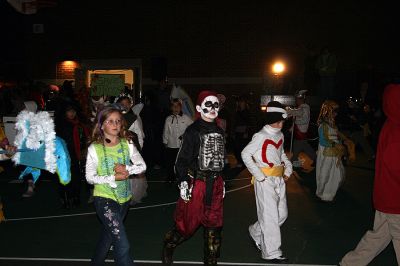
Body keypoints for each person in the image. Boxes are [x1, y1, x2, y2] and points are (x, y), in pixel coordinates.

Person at [161, 90, 226, 265]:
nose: (213, 108)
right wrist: (183, 181)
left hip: (216, 184)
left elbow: (219, 158)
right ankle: (169, 245)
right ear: (199, 107)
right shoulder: (192, 131)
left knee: (214, 225)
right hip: (196, 185)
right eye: (208, 104)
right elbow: (181, 160)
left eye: (216, 105)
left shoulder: (220, 131)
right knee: (187, 225)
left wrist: (222, 180)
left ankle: (210, 260)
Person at [339, 84, 400, 266]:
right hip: (395, 200)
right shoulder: (396, 131)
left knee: (378, 237)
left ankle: (350, 264)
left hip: (386, 197)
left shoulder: (391, 124)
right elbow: (396, 167)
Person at [85, 105, 146, 266]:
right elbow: (90, 178)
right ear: (102, 125)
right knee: (122, 242)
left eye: (118, 121)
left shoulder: (128, 143)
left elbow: (142, 166)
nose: (115, 124)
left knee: (108, 237)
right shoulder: (94, 148)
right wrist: (113, 177)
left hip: (124, 199)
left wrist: (127, 169)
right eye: (110, 121)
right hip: (104, 199)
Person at [241, 101, 292, 263]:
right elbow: (245, 154)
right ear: (274, 120)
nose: (282, 124)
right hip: (265, 181)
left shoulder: (280, 135)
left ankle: (255, 231)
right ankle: (271, 252)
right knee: (269, 216)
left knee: (282, 214)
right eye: (281, 121)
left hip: (279, 179)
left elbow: (281, 154)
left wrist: (288, 169)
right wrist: (259, 175)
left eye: (283, 121)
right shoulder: (261, 136)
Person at [55, 102, 90, 209]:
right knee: (64, 176)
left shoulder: (79, 124)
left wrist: (85, 149)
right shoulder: (60, 124)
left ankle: (75, 197)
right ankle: (65, 198)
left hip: (76, 155)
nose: (72, 113)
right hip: (63, 155)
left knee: (76, 177)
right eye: (69, 111)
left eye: (73, 111)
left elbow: (84, 138)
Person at [315, 100, 352, 202]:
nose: (336, 113)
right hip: (327, 153)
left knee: (337, 174)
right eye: (334, 111)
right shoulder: (323, 125)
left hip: (335, 153)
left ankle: (329, 194)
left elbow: (338, 134)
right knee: (325, 174)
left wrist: (345, 140)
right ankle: (322, 193)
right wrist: (336, 145)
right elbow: (323, 141)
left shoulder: (332, 125)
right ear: (329, 112)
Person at [162, 98, 193, 183]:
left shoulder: (186, 118)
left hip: (182, 146)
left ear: (181, 107)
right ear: (171, 107)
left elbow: (192, 128)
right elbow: (166, 131)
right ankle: (170, 177)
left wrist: (185, 135)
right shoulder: (168, 119)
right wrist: (165, 142)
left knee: (182, 163)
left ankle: (182, 178)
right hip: (171, 145)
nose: (175, 108)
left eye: (177, 106)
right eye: (173, 106)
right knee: (170, 163)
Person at [286, 90, 316, 167]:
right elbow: (296, 114)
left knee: (295, 155)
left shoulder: (305, 107)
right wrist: (292, 128)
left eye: (298, 99)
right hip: (298, 134)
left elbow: (304, 120)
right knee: (308, 151)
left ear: (301, 99)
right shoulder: (300, 108)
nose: (297, 101)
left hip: (300, 134)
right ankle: (313, 161)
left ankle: (298, 165)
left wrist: (291, 112)